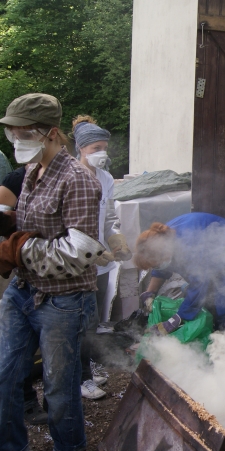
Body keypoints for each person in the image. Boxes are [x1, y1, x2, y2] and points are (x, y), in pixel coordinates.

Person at [0, 93, 105, 451]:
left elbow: (80, 252)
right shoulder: (33, 171)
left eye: (22, 134)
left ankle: (69, 447)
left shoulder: (79, 179)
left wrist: (18, 247)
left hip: (64, 300)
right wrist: (9, 222)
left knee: (59, 384)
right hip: (23, 290)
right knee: (1, 376)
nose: (15, 142)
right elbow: (41, 226)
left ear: (50, 134)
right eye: (12, 134)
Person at [71, 115, 132, 399]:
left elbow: (108, 218)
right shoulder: (70, 176)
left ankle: (88, 365)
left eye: (104, 147)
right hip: (76, 264)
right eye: (95, 148)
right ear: (81, 149)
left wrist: (116, 240)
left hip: (101, 265)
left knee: (94, 320)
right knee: (80, 323)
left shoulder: (105, 178)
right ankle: (81, 378)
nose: (101, 153)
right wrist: (95, 253)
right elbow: (68, 229)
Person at [134, 213, 225, 336]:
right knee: (199, 297)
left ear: (163, 253)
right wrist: (150, 291)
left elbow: (199, 284)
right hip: (215, 258)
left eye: (156, 264)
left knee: (224, 304)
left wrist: (176, 319)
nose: (156, 267)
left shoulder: (188, 246)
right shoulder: (162, 237)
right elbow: (162, 267)